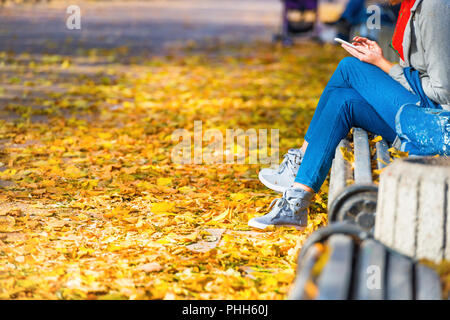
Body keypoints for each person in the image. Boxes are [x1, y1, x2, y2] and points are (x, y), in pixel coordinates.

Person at [249, 0, 450, 230]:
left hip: (436, 125)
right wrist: (379, 60)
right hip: (417, 114)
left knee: (349, 67)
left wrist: (383, 65)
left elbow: (442, 90)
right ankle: (296, 202)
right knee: (342, 100)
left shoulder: (436, 7)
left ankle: (299, 161)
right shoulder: (410, 6)